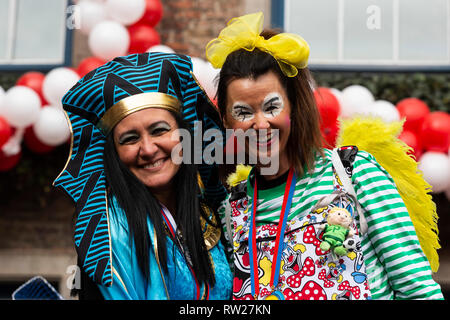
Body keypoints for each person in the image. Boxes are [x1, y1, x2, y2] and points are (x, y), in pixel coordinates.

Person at [206, 12, 443, 300]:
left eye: (272, 107)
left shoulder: (353, 173)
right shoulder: (232, 209)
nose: (260, 123)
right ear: (228, 123)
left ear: (294, 107)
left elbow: (418, 291)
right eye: (242, 112)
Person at [54, 52, 232, 299]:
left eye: (159, 130)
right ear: (114, 153)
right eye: (130, 138)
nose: (148, 149)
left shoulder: (209, 208)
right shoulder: (110, 233)